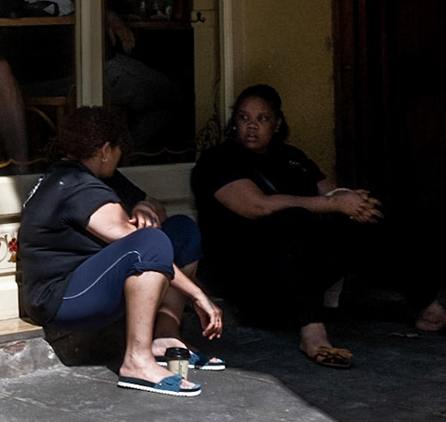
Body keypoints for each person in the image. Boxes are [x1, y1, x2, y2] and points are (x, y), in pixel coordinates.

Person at [190, 84, 445, 367]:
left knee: (365, 216)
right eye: (243, 117)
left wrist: (354, 203)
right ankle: (312, 334)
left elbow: (332, 195)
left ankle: (428, 306)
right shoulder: (218, 160)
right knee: (292, 220)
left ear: (277, 124)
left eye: (262, 118)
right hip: (250, 282)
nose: (251, 126)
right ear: (234, 122)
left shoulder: (291, 157)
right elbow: (258, 205)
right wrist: (334, 204)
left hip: (300, 276)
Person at [19, 106, 223, 396]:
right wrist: (198, 294)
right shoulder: (75, 185)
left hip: (91, 282)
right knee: (151, 242)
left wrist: (141, 205)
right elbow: (143, 245)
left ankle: (165, 337)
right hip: (61, 299)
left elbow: (156, 208)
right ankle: (136, 362)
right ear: (104, 149)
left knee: (181, 230)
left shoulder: (100, 176)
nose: (119, 157)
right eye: (118, 151)